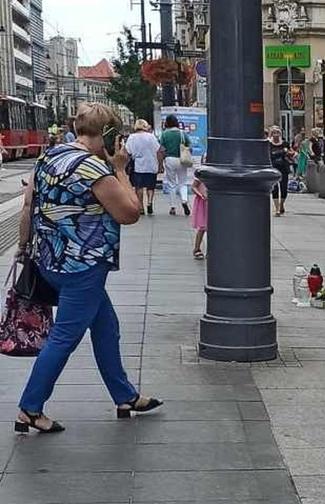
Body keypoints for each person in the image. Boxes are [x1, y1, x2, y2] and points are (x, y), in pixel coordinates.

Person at [15, 103, 162, 434]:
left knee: (106, 326)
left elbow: (28, 207)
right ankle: (29, 408)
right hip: (83, 267)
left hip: (50, 261)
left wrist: (23, 249)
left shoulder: (48, 158)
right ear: (109, 135)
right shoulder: (93, 169)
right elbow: (129, 213)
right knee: (64, 337)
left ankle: (125, 395)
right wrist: (121, 169)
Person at [125, 119, 162, 216]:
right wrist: (160, 165)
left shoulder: (132, 137)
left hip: (138, 165)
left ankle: (141, 206)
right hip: (151, 164)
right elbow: (158, 150)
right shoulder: (151, 137)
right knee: (150, 186)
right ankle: (149, 202)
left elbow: (128, 152)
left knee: (139, 187)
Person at [160, 114, 192, 216]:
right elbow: (189, 145)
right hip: (182, 159)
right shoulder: (182, 133)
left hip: (170, 159)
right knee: (183, 182)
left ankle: (173, 207)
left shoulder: (164, 134)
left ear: (167, 123)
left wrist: (162, 160)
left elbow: (162, 149)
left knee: (171, 184)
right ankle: (184, 200)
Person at [268, 126, 291, 216]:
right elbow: (269, 154)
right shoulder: (269, 144)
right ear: (271, 134)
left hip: (284, 167)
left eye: (277, 132)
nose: (276, 135)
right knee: (275, 188)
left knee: (284, 188)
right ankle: (277, 208)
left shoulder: (285, 143)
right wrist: (282, 152)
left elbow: (290, 152)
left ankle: (281, 205)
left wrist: (289, 153)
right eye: (274, 133)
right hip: (273, 167)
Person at [191, 177, 208, 260]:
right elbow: (193, 187)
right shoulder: (201, 173)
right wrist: (201, 194)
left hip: (215, 201)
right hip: (203, 202)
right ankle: (197, 248)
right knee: (202, 227)